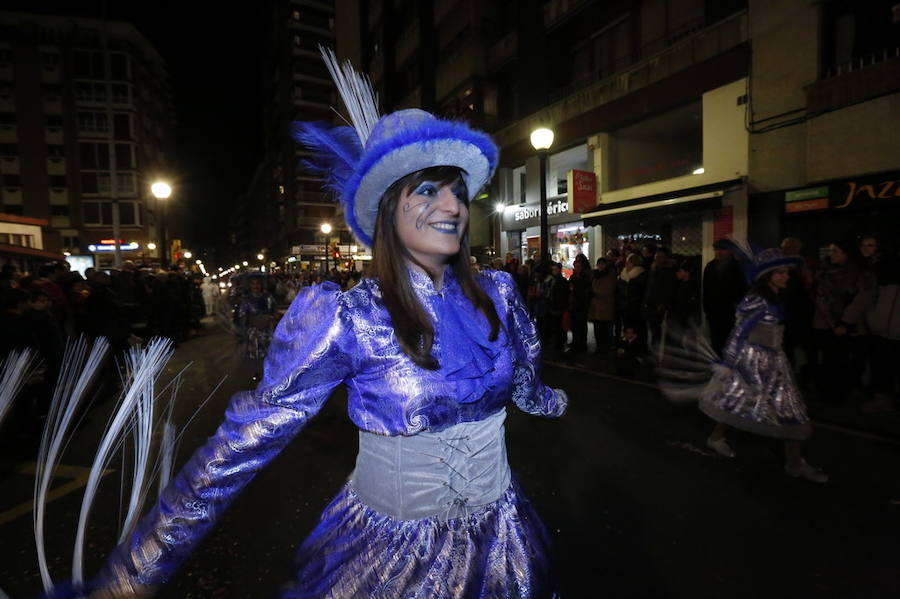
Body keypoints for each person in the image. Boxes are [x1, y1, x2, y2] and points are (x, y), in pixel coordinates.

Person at [72, 50, 567, 599]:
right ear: (386, 209)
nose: (451, 204)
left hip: (500, 535)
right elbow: (238, 446)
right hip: (394, 560)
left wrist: (537, 393)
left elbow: (525, 361)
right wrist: (130, 576)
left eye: (456, 190)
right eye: (427, 189)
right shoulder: (347, 317)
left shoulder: (497, 293)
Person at [700, 245, 827, 483]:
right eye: (779, 273)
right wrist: (728, 361)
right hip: (752, 361)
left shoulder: (777, 296)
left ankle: (794, 463)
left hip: (775, 361)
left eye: (786, 272)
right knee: (737, 402)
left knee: (788, 409)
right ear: (766, 276)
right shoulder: (757, 300)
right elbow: (739, 332)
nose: (785, 276)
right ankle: (716, 438)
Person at [702, 240, 747, 356]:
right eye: (716, 249)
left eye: (722, 249)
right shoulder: (710, 266)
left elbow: (742, 290)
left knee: (730, 341)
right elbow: (706, 289)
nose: (718, 252)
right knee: (716, 341)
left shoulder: (739, 267)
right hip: (714, 311)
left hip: (731, 311)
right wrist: (706, 308)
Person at [588, 257, 616, 354]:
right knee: (598, 328)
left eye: (602, 264)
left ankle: (605, 347)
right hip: (596, 306)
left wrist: (595, 292)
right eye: (599, 264)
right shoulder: (595, 274)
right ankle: (599, 347)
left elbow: (608, 289)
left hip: (606, 305)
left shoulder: (610, 274)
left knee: (605, 328)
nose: (600, 266)